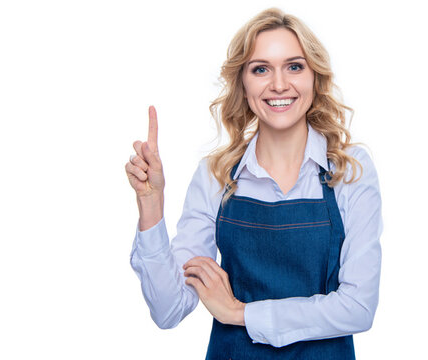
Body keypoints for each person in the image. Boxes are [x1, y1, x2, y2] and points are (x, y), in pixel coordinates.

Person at [125, 7, 382, 359]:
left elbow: (358, 307)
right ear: (243, 84)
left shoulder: (349, 171)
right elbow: (168, 310)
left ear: (314, 78)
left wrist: (239, 313)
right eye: (261, 69)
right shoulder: (215, 176)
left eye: (294, 66)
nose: (279, 84)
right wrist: (151, 206)